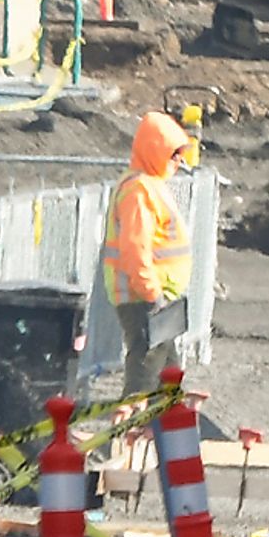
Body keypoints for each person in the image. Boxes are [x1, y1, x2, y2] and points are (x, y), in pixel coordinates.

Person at [97, 111, 194, 380]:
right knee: (147, 367)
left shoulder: (150, 185)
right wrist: (152, 294)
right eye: (174, 154)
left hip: (155, 297)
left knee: (167, 373)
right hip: (143, 296)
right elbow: (135, 249)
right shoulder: (139, 190)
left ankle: (165, 419)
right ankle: (136, 419)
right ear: (155, 151)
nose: (179, 161)